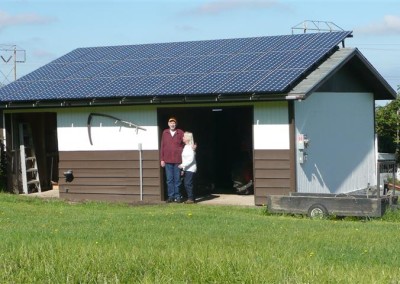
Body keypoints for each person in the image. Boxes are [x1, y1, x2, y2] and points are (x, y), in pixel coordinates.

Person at [160, 117, 184, 203]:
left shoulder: (180, 132)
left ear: (176, 124)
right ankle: (170, 196)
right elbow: (162, 146)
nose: (172, 124)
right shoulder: (165, 132)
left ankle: (178, 196)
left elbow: (186, 142)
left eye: (174, 123)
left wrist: (192, 146)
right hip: (167, 160)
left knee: (177, 179)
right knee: (169, 179)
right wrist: (162, 159)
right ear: (168, 124)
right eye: (171, 123)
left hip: (178, 160)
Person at [178, 132, 197, 204]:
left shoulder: (191, 147)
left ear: (188, 139)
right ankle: (191, 198)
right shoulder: (185, 147)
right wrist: (183, 169)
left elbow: (191, 159)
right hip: (186, 168)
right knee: (187, 183)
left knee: (188, 183)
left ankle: (191, 199)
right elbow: (184, 159)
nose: (183, 138)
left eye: (184, 137)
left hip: (191, 168)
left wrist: (183, 165)